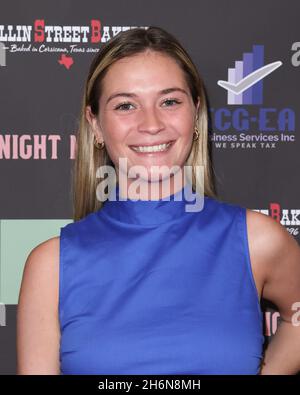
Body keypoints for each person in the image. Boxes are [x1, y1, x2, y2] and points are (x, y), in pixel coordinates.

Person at [17, 26, 300, 375]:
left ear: (195, 113)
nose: (151, 124)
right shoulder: (51, 266)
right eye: (125, 105)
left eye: (169, 101)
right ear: (96, 125)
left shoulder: (256, 240)